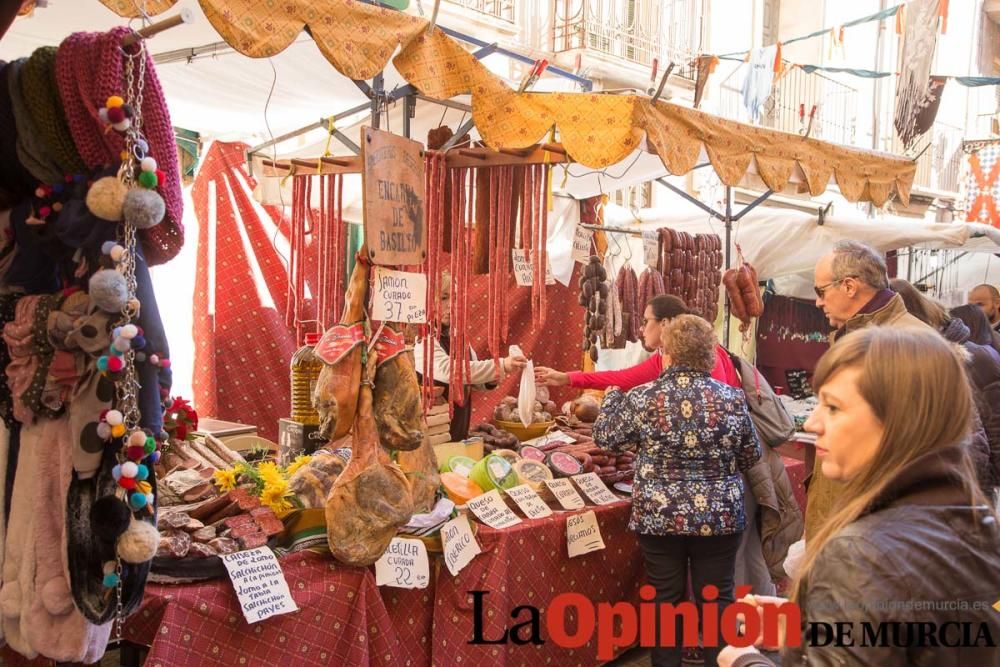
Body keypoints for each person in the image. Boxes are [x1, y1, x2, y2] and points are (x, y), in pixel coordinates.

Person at [718, 327, 1000, 667]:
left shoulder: (861, 554)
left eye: (834, 407)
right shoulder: (977, 520)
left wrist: (744, 660)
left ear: (899, 420)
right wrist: (816, 626)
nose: (813, 423)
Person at [593, 315, 761, 667]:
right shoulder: (732, 398)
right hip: (719, 516)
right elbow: (751, 455)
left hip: (660, 516)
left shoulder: (643, 398)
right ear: (709, 356)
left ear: (665, 354)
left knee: (664, 601)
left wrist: (610, 398)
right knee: (717, 600)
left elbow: (606, 437)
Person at [805, 240, 927, 541]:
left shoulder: (905, 343)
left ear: (849, 286)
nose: (818, 302)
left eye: (821, 291)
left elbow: (920, 451)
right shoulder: (857, 337)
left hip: (874, 530)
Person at [533, 294, 740, 390]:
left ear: (665, 323)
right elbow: (623, 377)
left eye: (646, 321)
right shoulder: (663, 358)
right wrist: (567, 378)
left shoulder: (710, 356)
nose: (641, 328)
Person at [413, 272, 527, 440]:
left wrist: (492, 378)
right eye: (444, 298)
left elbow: (472, 376)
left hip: (458, 426)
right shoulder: (421, 336)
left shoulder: (459, 336)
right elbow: (447, 371)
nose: (451, 305)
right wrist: (500, 365)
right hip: (431, 433)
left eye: (456, 298)